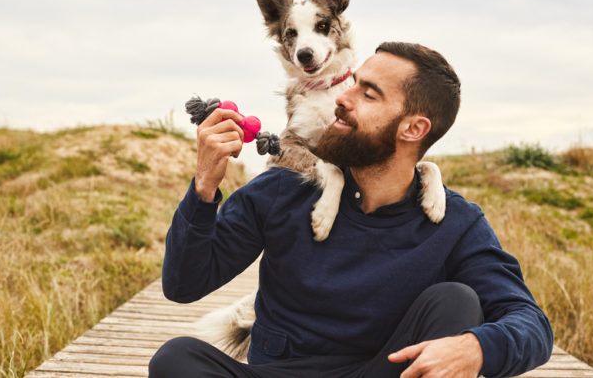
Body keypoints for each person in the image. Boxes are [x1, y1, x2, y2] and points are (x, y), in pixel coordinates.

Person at [149, 42, 553, 378]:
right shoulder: (282, 191)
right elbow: (184, 285)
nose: (342, 98)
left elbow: (530, 323)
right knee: (176, 361)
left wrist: (475, 348)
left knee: (455, 301)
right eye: (353, 83)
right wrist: (204, 185)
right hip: (282, 371)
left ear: (413, 129)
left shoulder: (457, 224)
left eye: (368, 93)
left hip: (381, 371)